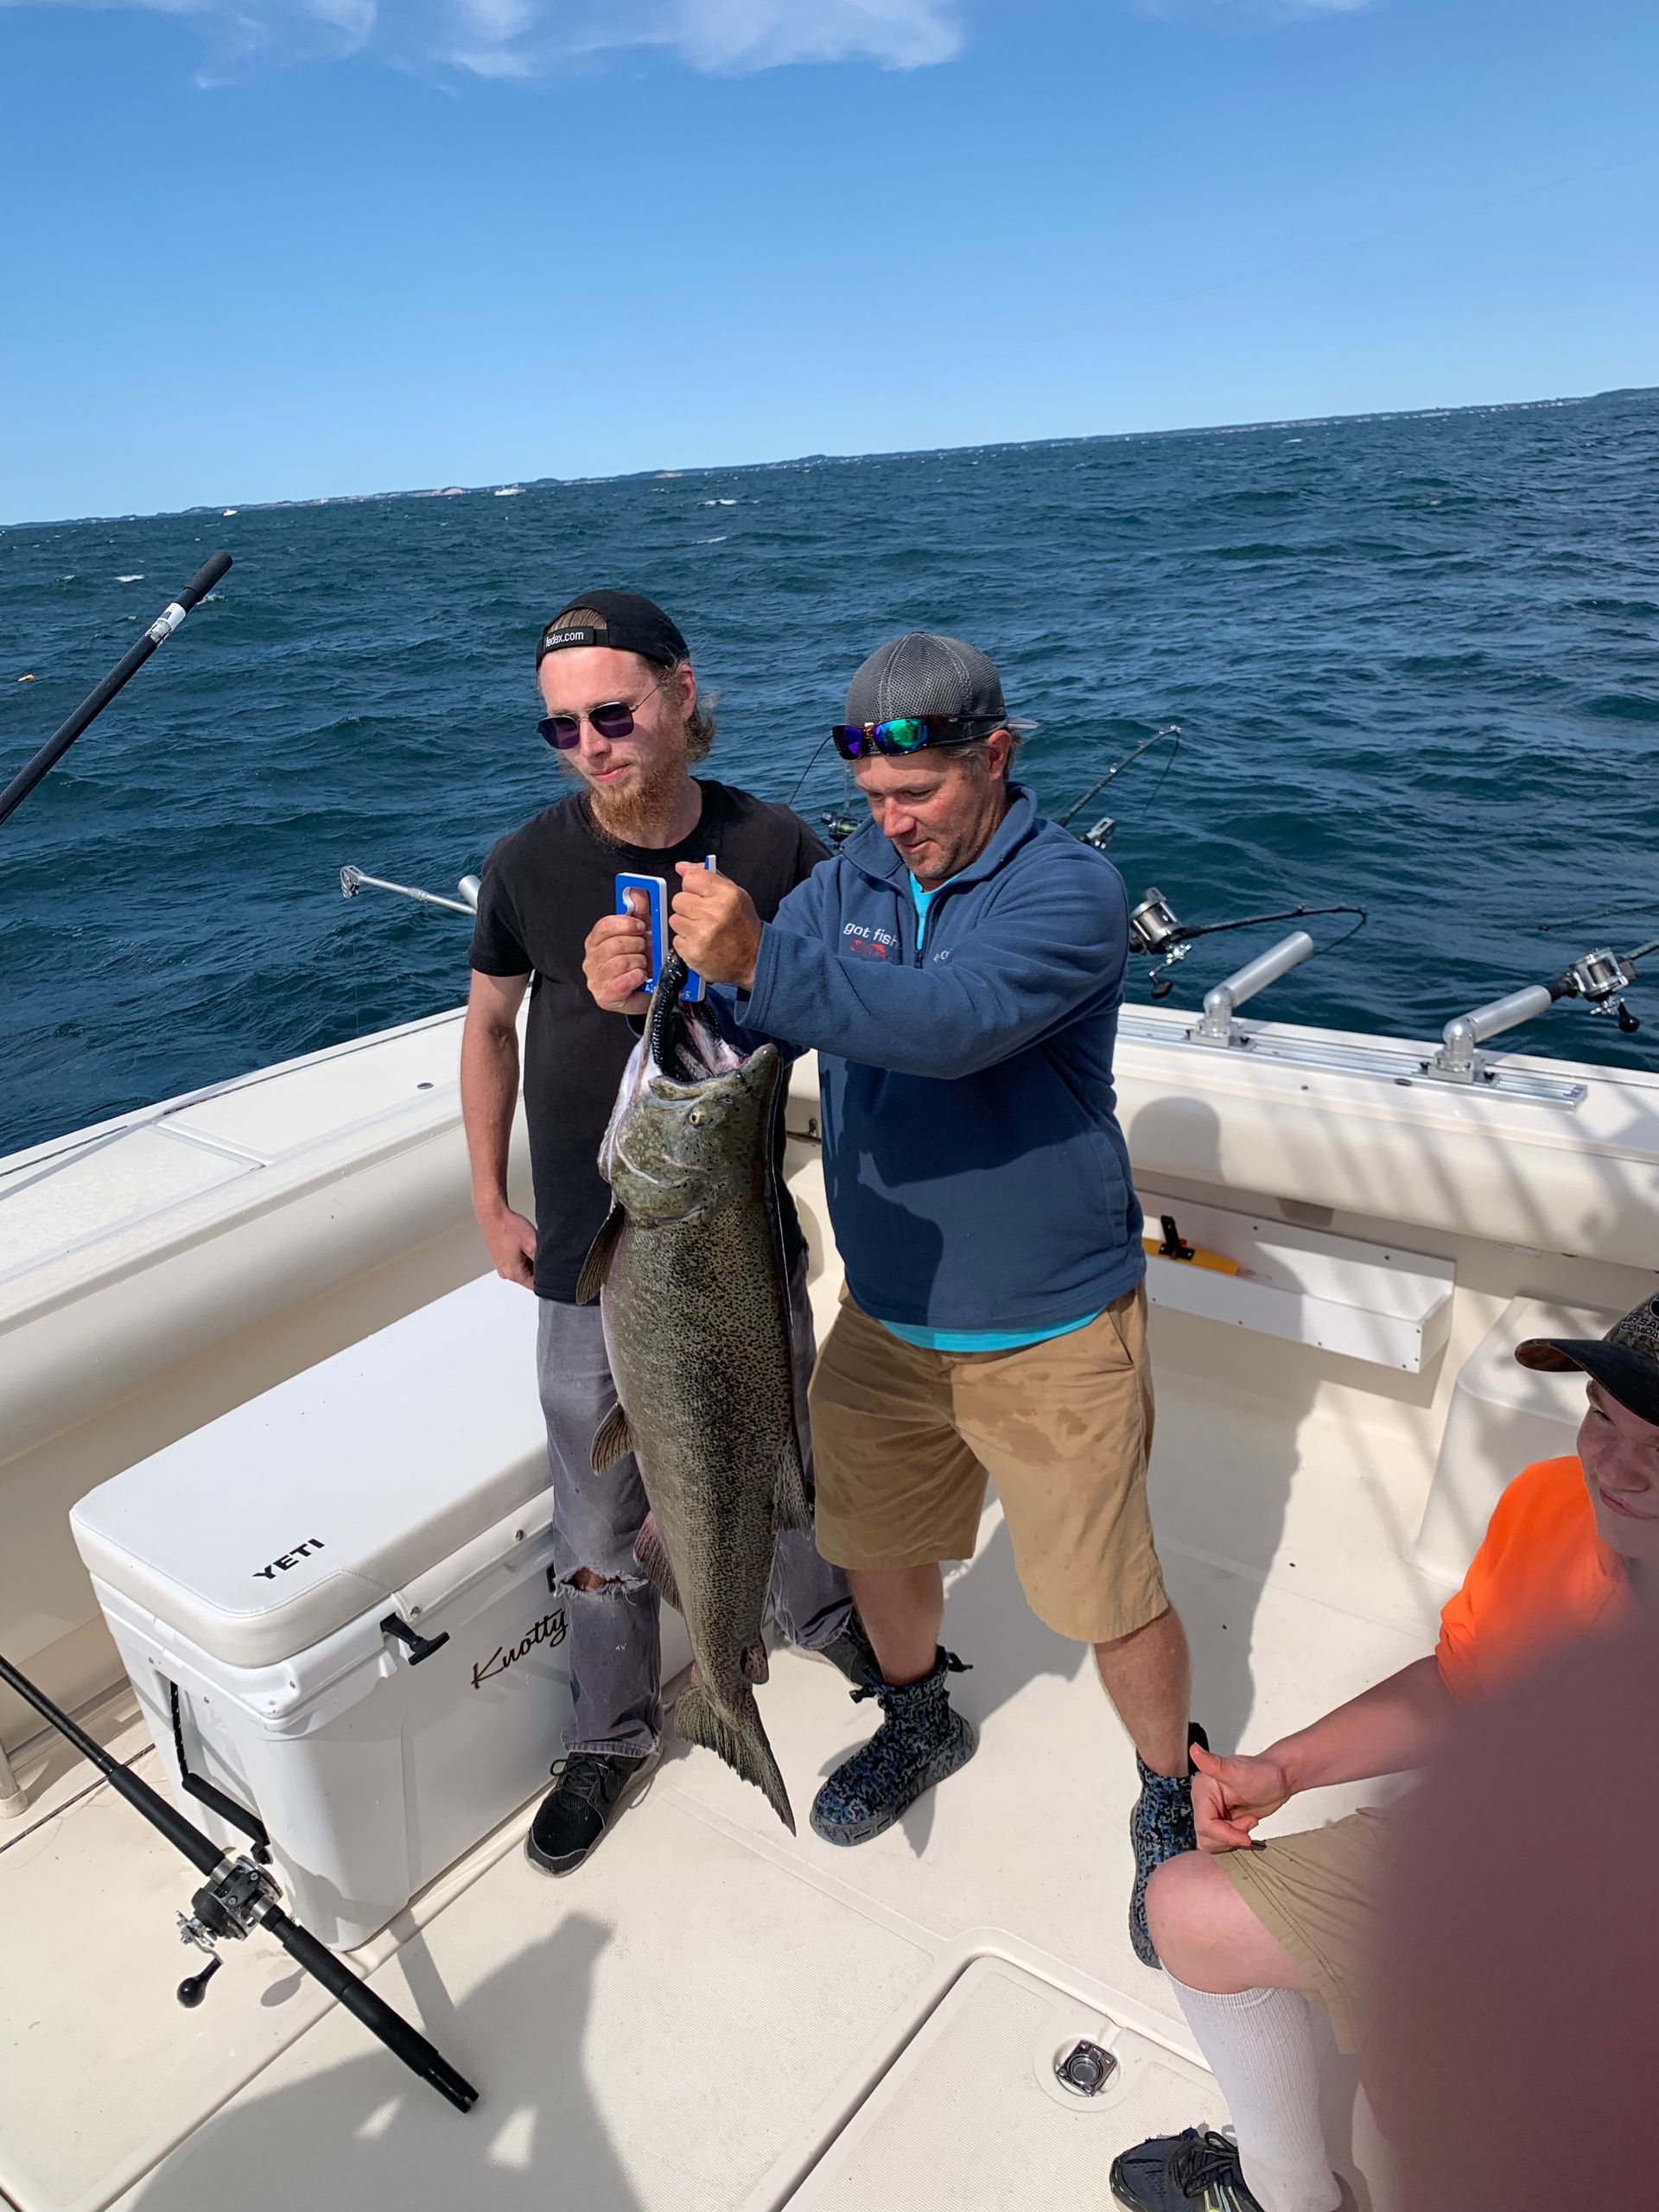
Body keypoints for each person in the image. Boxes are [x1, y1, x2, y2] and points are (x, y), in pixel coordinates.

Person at [584, 630, 1200, 1965]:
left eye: (916, 795)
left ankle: (1169, 1793)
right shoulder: (846, 881)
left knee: (1106, 1592)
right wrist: (654, 978)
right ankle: (920, 1713)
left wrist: (763, 966)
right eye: (870, 799)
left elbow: (954, 1023)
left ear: (995, 754)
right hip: (889, 1310)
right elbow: (754, 1029)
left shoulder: (1070, 891)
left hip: (1051, 1322)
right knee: (875, 1549)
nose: (892, 823)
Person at [461, 588, 867, 1879]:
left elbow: (851, 1014)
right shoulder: (528, 864)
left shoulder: (780, 843)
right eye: (563, 727)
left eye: (615, 713)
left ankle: (817, 1616)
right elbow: (485, 1030)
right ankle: (612, 1731)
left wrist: (746, 967)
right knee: (598, 1524)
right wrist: (486, 1195)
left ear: (683, 695)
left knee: (775, 1450)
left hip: (733, 1230)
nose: (592, 744)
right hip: (592, 1248)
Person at [1108, 1290, 1659, 2212]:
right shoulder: (1548, 1502)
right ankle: (1289, 2196)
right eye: (1603, 1416)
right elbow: (1462, 1682)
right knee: (1186, 1908)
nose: (1617, 1467)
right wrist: (1282, 1769)